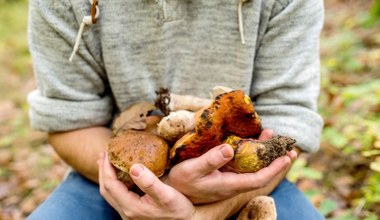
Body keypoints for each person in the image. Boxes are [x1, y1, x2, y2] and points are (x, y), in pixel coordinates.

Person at [26, 0, 325, 219]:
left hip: (242, 184)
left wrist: (206, 214)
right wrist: (160, 186)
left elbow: (288, 119)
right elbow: (70, 121)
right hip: (110, 180)